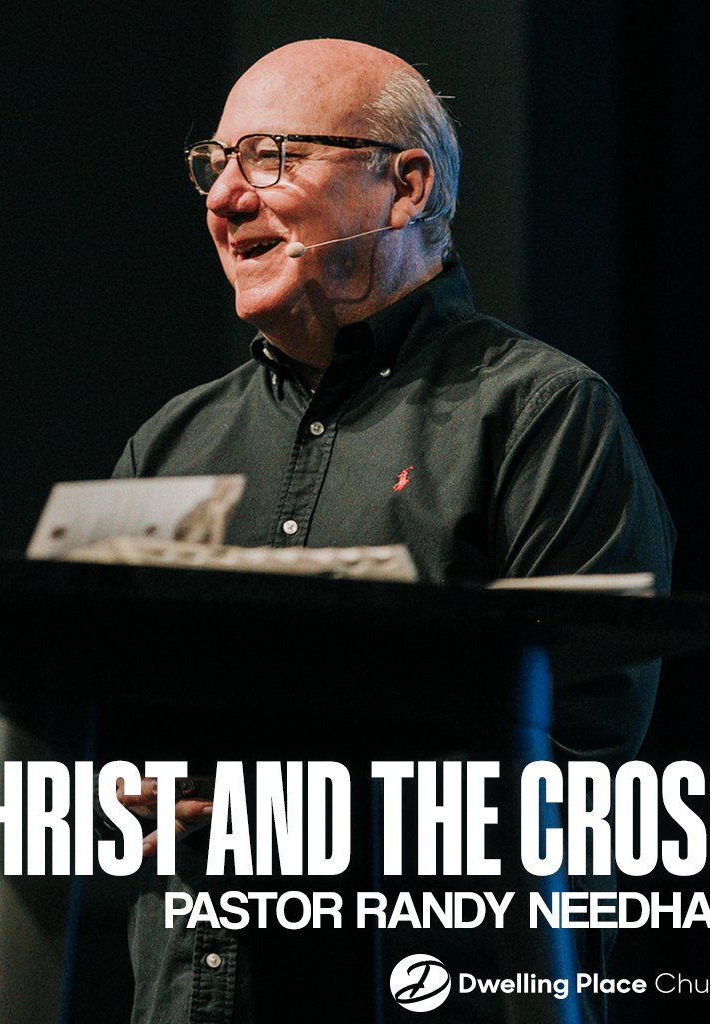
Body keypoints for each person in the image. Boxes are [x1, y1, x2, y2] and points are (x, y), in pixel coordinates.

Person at [109, 38, 674, 1024]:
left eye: (271, 158)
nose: (225, 198)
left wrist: (282, 795)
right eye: (214, 164)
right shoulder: (171, 443)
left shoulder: (540, 414)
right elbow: (86, 728)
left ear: (405, 186)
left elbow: (578, 761)